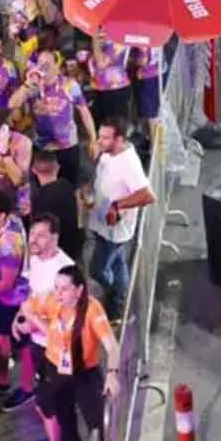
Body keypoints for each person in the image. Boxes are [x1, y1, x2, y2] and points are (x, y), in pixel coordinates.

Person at [16, 264, 129, 441]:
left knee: (98, 432)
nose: (58, 293)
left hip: (86, 376)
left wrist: (112, 374)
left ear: (79, 290)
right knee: (67, 432)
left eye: (64, 289)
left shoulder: (92, 310)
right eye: (56, 287)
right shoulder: (51, 300)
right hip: (57, 373)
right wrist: (25, 320)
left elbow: (112, 346)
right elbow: (27, 307)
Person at [86, 117, 152, 326]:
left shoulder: (129, 164)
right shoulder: (108, 153)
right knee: (117, 263)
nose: (100, 141)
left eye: (105, 138)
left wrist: (117, 206)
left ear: (120, 139)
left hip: (114, 231)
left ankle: (115, 298)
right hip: (102, 223)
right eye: (100, 136)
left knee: (97, 269)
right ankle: (118, 304)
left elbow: (147, 195)